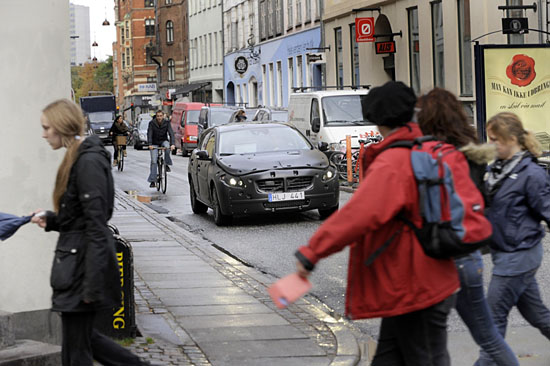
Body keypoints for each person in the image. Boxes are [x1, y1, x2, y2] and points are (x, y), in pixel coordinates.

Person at [295, 81, 460, 366]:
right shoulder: (429, 148)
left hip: (413, 285)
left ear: (377, 118)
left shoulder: (394, 161)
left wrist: (312, 253)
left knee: (425, 359)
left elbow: (357, 215)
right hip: (427, 278)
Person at [30, 99, 150, 366]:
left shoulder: (87, 161)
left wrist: (92, 283)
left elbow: (96, 225)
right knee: (84, 342)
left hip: (82, 268)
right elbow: (80, 218)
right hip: (76, 265)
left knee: (76, 351)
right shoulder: (78, 157)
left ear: (61, 126)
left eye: (47, 127)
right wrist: (50, 220)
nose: (43, 134)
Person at [416, 89, 518, 366]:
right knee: (487, 335)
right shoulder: (472, 155)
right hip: (469, 254)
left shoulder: (429, 156)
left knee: (426, 338)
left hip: (441, 255)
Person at [476, 112, 550, 365]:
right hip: (505, 252)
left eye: (495, 139)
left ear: (511, 139)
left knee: (491, 325)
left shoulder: (531, 174)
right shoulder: (496, 170)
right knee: (538, 315)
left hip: (519, 256)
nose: (491, 144)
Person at [147, 110, 175, 188]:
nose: (159, 117)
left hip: (163, 141)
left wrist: (172, 144)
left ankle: (166, 164)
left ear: (163, 116)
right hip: (154, 143)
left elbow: (171, 133)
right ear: (156, 116)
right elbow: (149, 134)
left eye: (160, 116)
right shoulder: (152, 123)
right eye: (158, 116)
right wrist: (149, 144)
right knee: (154, 161)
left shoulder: (167, 123)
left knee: (167, 147)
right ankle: (153, 180)